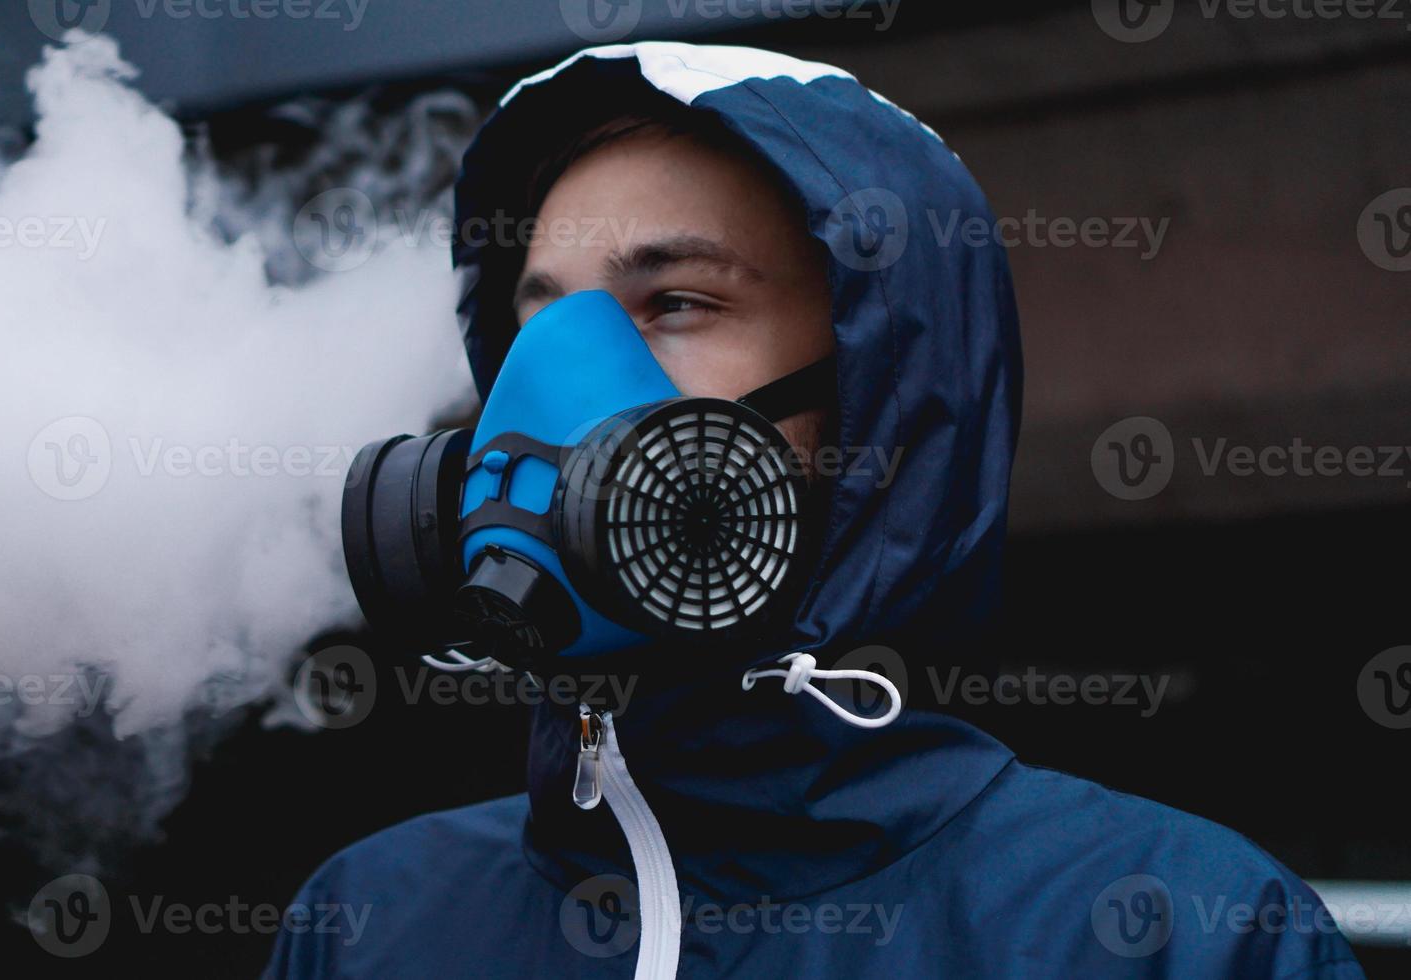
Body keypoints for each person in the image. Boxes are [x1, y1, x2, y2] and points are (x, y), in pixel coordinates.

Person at [269, 42, 1361, 978]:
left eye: (677, 302)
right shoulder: (367, 925)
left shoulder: (1171, 931)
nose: (555, 387)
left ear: (872, 395)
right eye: (536, 317)